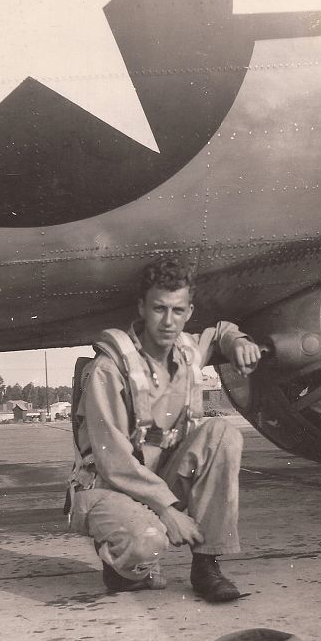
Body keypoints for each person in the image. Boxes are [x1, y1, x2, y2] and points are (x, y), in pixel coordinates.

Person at [67, 257, 262, 602]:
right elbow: (114, 463)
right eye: (159, 309)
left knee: (223, 434)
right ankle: (123, 570)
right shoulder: (108, 370)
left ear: (188, 312)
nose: (168, 321)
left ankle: (206, 566)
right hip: (108, 487)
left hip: (154, 481)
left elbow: (219, 333)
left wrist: (238, 342)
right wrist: (168, 511)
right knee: (148, 539)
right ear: (142, 308)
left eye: (177, 310)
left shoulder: (187, 353)